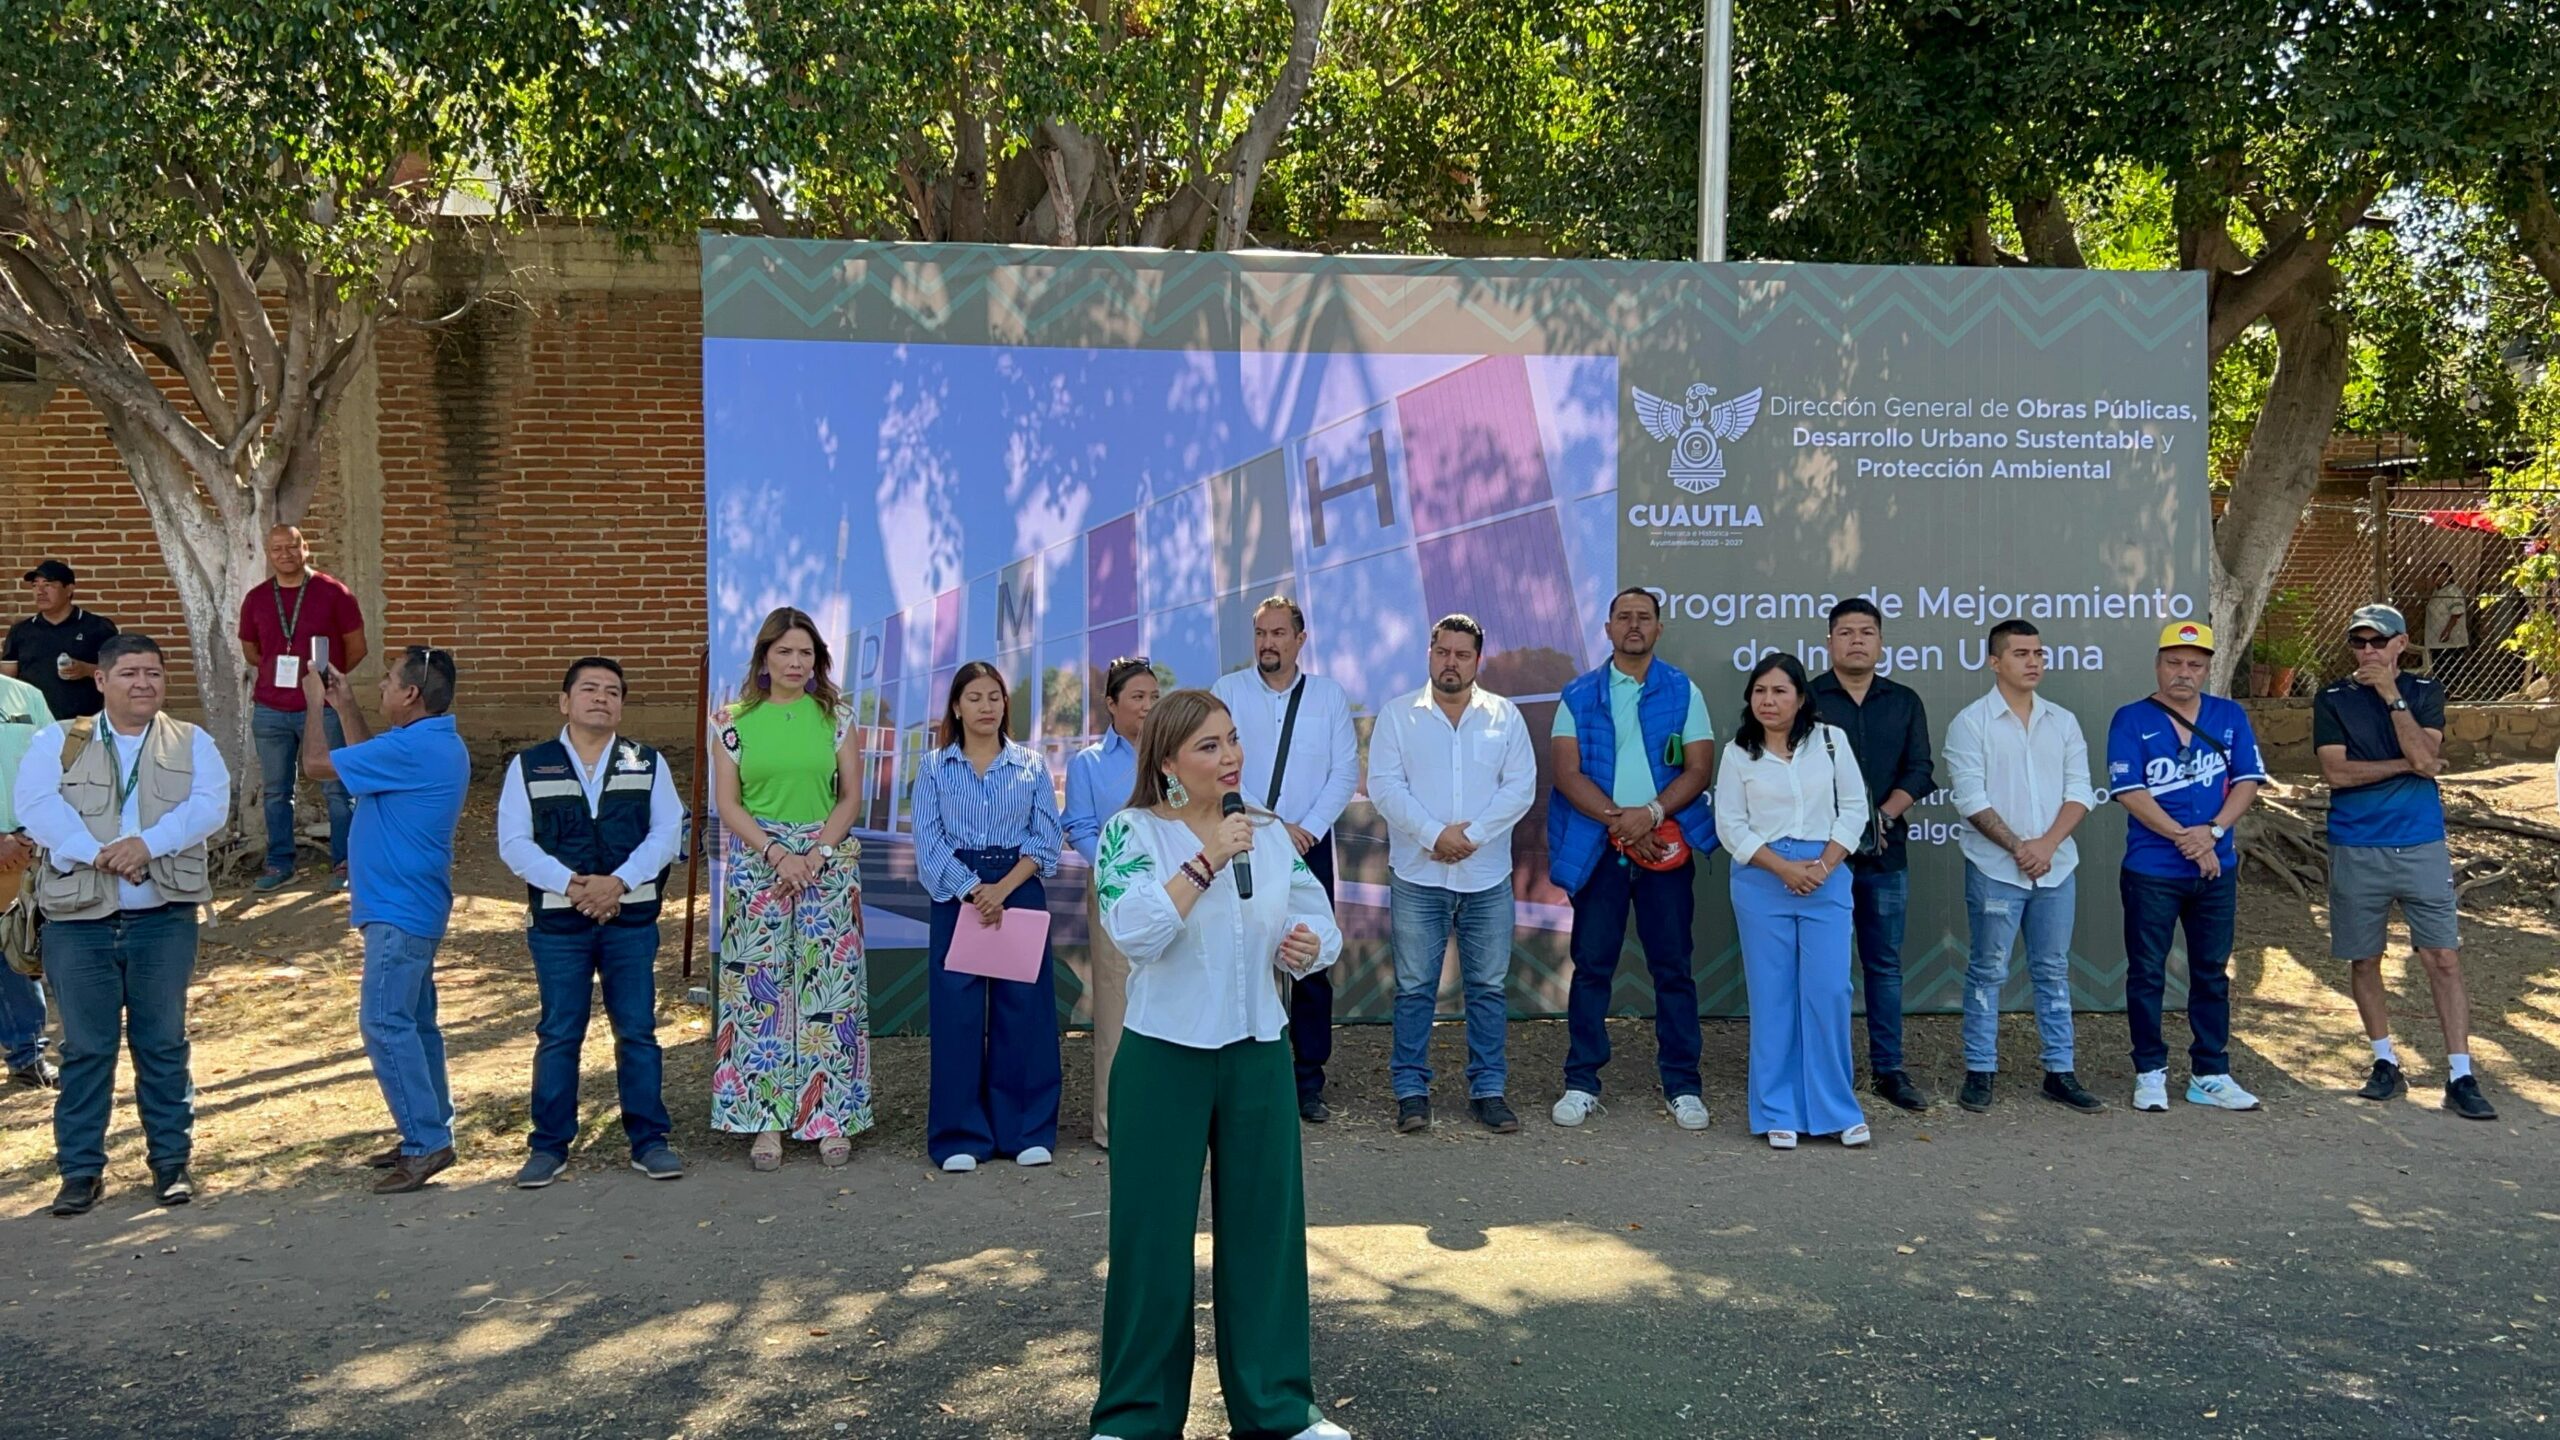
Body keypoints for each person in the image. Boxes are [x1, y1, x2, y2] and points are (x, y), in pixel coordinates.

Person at [1087, 688, 1349, 1440]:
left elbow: (1316, 917)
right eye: (1209, 745)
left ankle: (1277, 1409)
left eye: (1232, 740)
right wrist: (1206, 859)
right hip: (1164, 1056)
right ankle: (1135, 1416)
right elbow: (1136, 930)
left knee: (1266, 1236)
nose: (1229, 756)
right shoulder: (1131, 833)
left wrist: (1308, 945)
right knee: (1151, 1242)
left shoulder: (1265, 833)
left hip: (1258, 1053)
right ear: (1168, 761)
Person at [12, 635, 229, 1216]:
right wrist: (96, 852)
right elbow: (36, 805)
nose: (143, 683)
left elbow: (209, 806)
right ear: (101, 681)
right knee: (86, 1050)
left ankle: (170, 1165)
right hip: (79, 922)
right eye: (129, 672)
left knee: (163, 1045)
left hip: (163, 921)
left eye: (154, 673)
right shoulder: (57, 739)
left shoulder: (194, 741)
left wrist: (146, 844)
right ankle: (80, 1173)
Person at [494, 656, 686, 1188]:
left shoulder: (647, 763)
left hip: (630, 920)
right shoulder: (530, 765)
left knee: (638, 1032)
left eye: (613, 691)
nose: (602, 698)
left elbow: (666, 833)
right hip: (559, 925)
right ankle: (549, 1146)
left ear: (622, 705)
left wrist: (617, 883)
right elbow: (514, 843)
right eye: (590, 689)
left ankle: (650, 1141)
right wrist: (575, 886)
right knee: (559, 1033)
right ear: (565, 702)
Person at [298, 645, 471, 1193]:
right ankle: (431, 1127)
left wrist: (312, 707)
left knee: (384, 1022)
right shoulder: (426, 742)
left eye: (388, 681)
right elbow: (366, 767)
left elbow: (316, 767)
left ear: (411, 694)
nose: (381, 688)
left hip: (400, 910)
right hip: (409, 905)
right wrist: (345, 705)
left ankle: (426, 1143)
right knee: (415, 1023)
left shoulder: (415, 747)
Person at [1546, 586, 1716, 1131]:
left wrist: (1652, 812)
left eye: (1645, 618)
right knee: (1593, 967)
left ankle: (1683, 1085)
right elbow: (1567, 774)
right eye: (1624, 617)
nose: (1634, 626)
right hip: (1602, 849)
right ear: (1608, 629)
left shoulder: (1683, 689)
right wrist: (1624, 823)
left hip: (1666, 845)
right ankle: (1581, 1082)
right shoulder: (1577, 694)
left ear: (1659, 629)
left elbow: (1698, 770)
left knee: (1673, 968)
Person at [2316, 604, 2496, 1120]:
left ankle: (2461, 1073)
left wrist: (2392, 698)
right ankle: (2384, 1062)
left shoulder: (2423, 693)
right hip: (2355, 843)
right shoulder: (2332, 698)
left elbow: (2426, 754)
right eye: (2359, 642)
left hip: (2420, 844)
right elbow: (2337, 774)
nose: (2368, 651)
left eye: (2378, 641)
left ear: (2401, 644)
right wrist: (2411, 766)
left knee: (2442, 958)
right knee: (2364, 958)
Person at [708, 607, 873, 1168]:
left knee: (830, 994)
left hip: (826, 865)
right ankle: (766, 1121)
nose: (796, 662)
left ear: (818, 661)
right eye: (785, 652)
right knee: (759, 996)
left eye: (806, 653)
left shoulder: (839, 717)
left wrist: (816, 853)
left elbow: (850, 796)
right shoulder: (731, 721)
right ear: (764, 658)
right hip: (760, 865)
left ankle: (829, 1117)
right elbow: (728, 803)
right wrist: (778, 854)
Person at [1364, 614, 1536, 1135]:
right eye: (1443, 652)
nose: (1451, 663)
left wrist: (1472, 836)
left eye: (1462, 654)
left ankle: (1488, 1091)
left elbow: (1520, 787)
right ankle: (1411, 1093)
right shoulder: (1397, 716)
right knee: (1415, 988)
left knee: (1487, 987)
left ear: (1477, 660)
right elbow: (1385, 787)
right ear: (1429, 653)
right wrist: (1435, 834)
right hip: (1419, 874)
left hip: (1485, 876)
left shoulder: (1504, 717)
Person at [2105, 622, 2269, 1114]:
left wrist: (2212, 833)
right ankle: (2149, 1071)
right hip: (2152, 869)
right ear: (2158, 665)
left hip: (2215, 868)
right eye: (2174, 662)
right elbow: (2128, 792)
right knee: (2147, 973)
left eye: (2195, 664)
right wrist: (2186, 838)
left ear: (2207, 669)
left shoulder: (2229, 715)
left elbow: (2246, 782)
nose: (2184, 673)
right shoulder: (2131, 718)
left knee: (2212, 973)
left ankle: (2210, 1072)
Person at [1943, 619, 2104, 1115]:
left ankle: (2059, 1072)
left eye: (2038, 653)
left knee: (2053, 971)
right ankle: (1980, 1071)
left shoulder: (2063, 721)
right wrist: (2019, 848)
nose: (2033, 661)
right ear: (1995, 662)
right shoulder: (1970, 723)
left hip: (2055, 868)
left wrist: (2046, 845)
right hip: (1995, 868)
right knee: (1988, 970)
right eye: (2020, 654)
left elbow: (2080, 791)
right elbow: (1970, 799)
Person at [912, 661, 1066, 1173]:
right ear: (956, 706)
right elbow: (929, 843)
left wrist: (1001, 889)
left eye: (994, 697)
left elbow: (1046, 839)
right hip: (957, 892)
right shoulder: (934, 768)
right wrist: (973, 890)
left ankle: (1024, 1130)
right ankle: (959, 1135)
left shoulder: (1029, 765)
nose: (986, 706)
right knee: (957, 1015)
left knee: (1023, 1010)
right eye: (974, 697)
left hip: (1017, 887)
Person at [1715, 653, 1871, 1150]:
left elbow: (1854, 809)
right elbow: (1730, 826)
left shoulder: (1831, 741)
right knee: (1773, 996)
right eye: (1759, 691)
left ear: (1801, 697)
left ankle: (1834, 1111)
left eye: (1779, 691)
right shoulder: (1738, 753)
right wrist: (1782, 869)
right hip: (1763, 879)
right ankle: (1775, 1110)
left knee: (1827, 992)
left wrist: (1822, 867)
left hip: (1826, 874)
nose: (1768, 700)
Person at [1212, 597, 1357, 1124]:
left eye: (1278, 633)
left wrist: (1307, 830)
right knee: (1244, 954)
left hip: (1310, 848)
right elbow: (1220, 768)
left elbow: (1344, 772)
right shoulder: (1227, 692)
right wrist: (1275, 828)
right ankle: (1246, 1076)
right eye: (1259, 634)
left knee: (1310, 960)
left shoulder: (1328, 697)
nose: (1267, 643)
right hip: (1245, 840)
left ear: (1300, 638)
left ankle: (1308, 1082)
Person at [1809, 597, 1938, 1112]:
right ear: (1830, 642)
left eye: (1866, 632)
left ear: (1881, 643)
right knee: (1827, 968)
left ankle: (1889, 1070)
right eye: (1845, 632)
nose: (1856, 640)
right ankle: (1829, 1070)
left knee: (1883, 966)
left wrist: (1882, 815)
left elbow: (1921, 769)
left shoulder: (1904, 701)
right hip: (1822, 857)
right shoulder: (1809, 699)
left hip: (1886, 856)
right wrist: (1844, 829)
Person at [1061, 655, 1159, 1149]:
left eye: (1153, 697)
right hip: (1115, 893)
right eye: (1137, 698)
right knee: (1117, 1007)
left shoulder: (1175, 755)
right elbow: (1078, 826)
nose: (1146, 707)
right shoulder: (1089, 763)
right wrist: (1117, 869)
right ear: (1112, 704)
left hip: (1177, 891)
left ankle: (1170, 1116)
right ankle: (1113, 1123)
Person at [240, 525, 367, 892]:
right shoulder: (258, 598)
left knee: (336, 788)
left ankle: (343, 862)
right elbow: (251, 651)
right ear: (269, 553)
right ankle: (280, 864)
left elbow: (356, 647)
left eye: (292, 546)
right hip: (270, 709)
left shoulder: (334, 593)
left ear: (305, 548)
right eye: (277, 548)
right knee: (277, 790)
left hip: (324, 707)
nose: (285, 554)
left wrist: (327, 686)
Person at [1, 668, 56, 1089]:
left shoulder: (26, 698)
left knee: (16, 950)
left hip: (22, 849)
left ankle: (27, 1052)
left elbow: (53, 771)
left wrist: (28, 834)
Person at [2, 559, 116, 721]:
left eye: (48, 585)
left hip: (83, 723)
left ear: (69, 589)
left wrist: (86, 669)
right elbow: (7, 679)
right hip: (34, 723)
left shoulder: (98, 627)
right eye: (35, 585)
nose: (40, 591)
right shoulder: (21, 631)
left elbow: (118, 672)